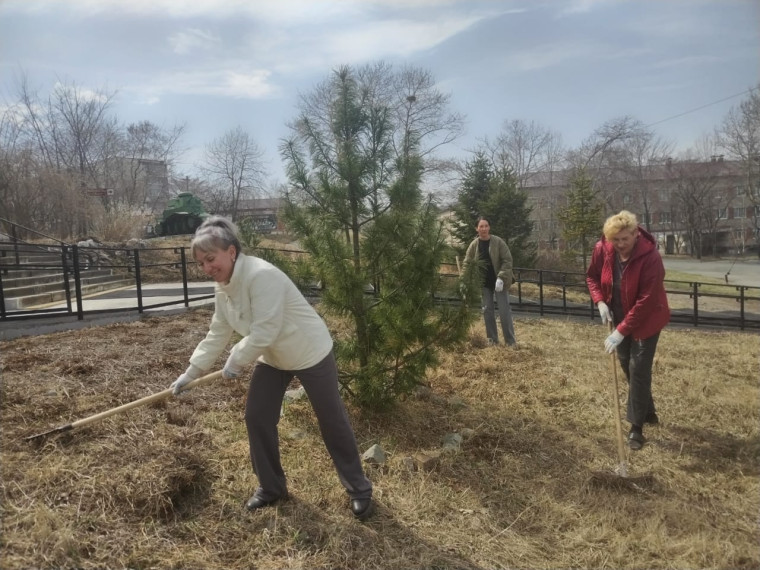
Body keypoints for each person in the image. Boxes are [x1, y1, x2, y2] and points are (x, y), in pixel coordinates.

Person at [170, 216, 374, 520]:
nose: (207, 268)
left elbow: (265, 330)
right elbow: (217, 332)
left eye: (211, 259)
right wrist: (192, 371)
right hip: (274, 356)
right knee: (257, 416)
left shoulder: (261, 276)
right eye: (201, 263)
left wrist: (236, 360)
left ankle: (359, 489)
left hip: (308, 350)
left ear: (231, 252)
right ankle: (272, 487)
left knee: (331, 420)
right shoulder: (223, 288)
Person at [586, 210, 670, 451]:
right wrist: (600, 302)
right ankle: (649, 411)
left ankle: (636, 428)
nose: (620, 244)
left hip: (648, 318)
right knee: (627, 364)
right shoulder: (603, 249)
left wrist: (621, 331)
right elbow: (592, 277)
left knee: (638, 367)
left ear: (635, 234)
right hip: (618, 314)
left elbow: (647, 299)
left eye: (625, 239)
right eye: (616, 240)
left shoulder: (650, 257)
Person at [463, 216, 516, 346]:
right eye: (481, 226)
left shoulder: (498, 242)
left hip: (500, 283)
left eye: (486, 226)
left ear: (489, 227)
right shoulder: (474, 245)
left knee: (504, 311)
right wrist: (463, 280)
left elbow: (507, 260)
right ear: (477, 228)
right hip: (484, 283)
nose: (484, 228)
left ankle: (510, 342)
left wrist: (501, 277)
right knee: (487, 311)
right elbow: (467, 263)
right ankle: (492, 341)